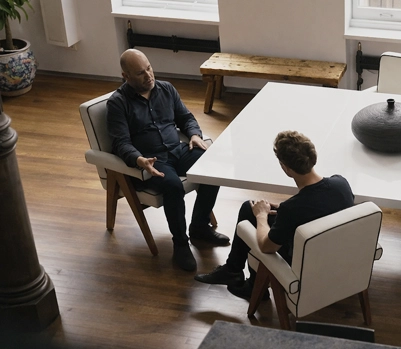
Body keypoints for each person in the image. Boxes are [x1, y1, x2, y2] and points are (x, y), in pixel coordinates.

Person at [106, 49, 229, 272]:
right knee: (172, 186)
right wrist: (139, 159)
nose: (148, 76)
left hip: (178, 150)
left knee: (213, 166)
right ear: (126, 76)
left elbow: (186, 118)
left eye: (149, 68)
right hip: (153, 162)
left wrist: (193, 134)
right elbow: (120, 142)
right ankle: (180, 244)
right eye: (140, 73)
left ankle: (200, 227)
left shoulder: (166, 89)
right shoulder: (118, 103)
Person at [194, 130, 355, 299]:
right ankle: (234, 271)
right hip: (337, 255)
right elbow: (319, 204)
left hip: (305, 262)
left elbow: (266, 246)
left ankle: (250, 284)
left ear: (286, 168)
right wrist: (279, 208)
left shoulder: (292, 209)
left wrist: (262, 216)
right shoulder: (341, 183)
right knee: (249, 208)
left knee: (253, 212)